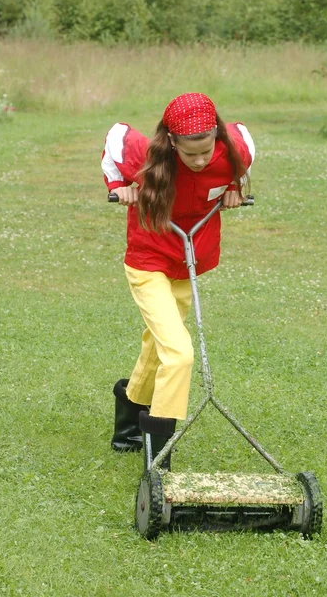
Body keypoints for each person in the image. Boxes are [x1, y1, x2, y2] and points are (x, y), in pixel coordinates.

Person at [101, 93, 255, 470]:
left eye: (207, 151)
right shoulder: (145, 154)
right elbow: (115, 136)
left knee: (158, 344)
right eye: (191, 155)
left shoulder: (231, 149)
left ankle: (129, 417)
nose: (201, 161)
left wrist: (235, 186)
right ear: (172, 142)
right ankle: (160, 458)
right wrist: (119, 182)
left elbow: (246, 140)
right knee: (179, 353)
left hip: (188, 260)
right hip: (148, 259)